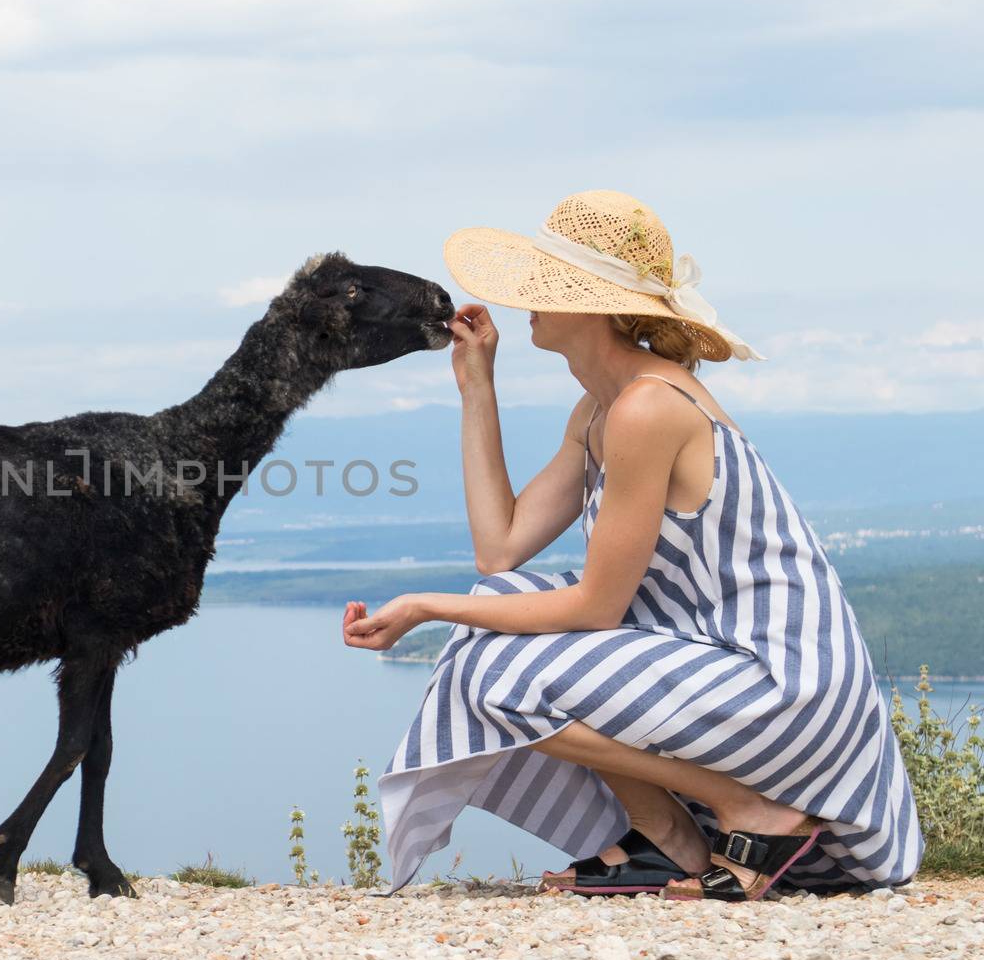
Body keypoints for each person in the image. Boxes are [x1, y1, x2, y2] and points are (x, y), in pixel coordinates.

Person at [342, 190, 921, 901]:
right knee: (497, 609)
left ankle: (747, 808)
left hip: (783, 688)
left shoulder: (647, 408)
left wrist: (429, 606)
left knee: (491, 670)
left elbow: (596, 605)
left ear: (592, 304)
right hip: (736, 674)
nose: (526, 299)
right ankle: (671, 837)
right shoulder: (604, 407)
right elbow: (501, 550)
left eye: (544, 286)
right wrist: (476, 388)